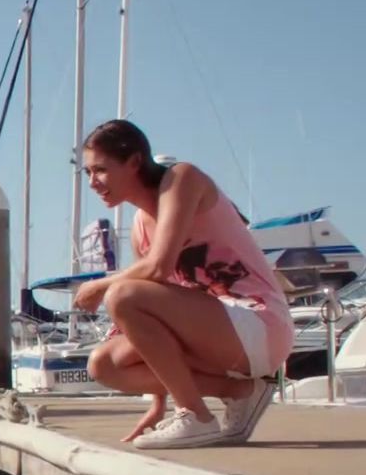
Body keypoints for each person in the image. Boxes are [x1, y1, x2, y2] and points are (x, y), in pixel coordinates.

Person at [74, 120, 292, 449]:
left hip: (259, 323)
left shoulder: (182, 179)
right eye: (88, 172)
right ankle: (240, 392)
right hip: (214, 333)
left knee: (122, 294)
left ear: (134, 162)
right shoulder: (140, 226)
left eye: (100, 170)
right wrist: (158, 404)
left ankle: (196, 417)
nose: (93, 182)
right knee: (104, 365)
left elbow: (158, 267)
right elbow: (151, 320)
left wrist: (99, 286)